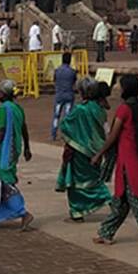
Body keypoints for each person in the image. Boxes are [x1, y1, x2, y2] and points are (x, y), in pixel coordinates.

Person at [91, 75, 138, 252]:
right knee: (120, 202)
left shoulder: (123, 110)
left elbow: (113, 136)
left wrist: (99, 154)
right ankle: (106, 233)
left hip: (128, 164)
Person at [0, 79, 35, 231]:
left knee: (2, 183)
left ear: (3, 94)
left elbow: (1, 131)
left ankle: (23, 212)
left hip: (2, 151)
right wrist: (27, 148)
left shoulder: (4, 109)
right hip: (13, 150)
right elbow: (24, 129)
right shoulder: (18, 108)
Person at [56, 78, 113, 221]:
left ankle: (80, 211)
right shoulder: (99, 109)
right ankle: (79, 211)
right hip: (96, 150)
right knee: (91, 180)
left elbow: (65, 126)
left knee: (76, 182)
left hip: (80, 151)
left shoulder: (80, 110)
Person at [51, 52, 77, 141]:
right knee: (67, 116)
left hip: (59, 95)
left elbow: (54, 80)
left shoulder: (57, 70)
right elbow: (74, 82)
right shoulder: (72, 71)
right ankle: (66, 135)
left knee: (56, 116)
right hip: (69, 95)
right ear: (69, 60)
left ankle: (53, 134)